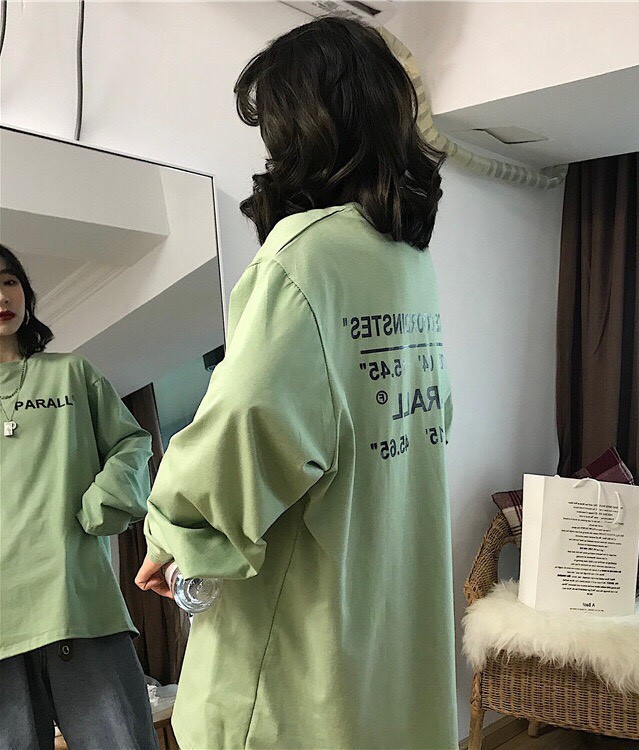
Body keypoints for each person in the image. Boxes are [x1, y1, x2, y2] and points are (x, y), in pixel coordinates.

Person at [136, 15, 457, 749]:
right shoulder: (408, 262)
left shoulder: (303, 256)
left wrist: (174, 532)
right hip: (385, 632)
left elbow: (248, 426)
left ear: (311, 122)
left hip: (294, 666)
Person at [0, 244, 158, 750]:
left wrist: (103, 502)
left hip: (78, 602)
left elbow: (132, 443)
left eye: (8, 281)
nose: (1, 296)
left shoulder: (71, 373)